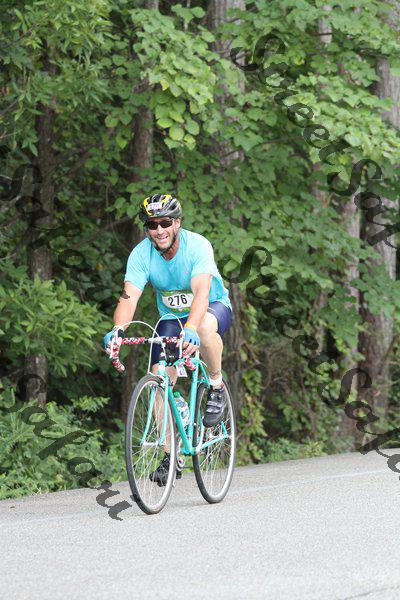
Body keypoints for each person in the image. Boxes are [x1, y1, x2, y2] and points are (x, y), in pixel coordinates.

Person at [104, 193, 232, 484]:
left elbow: (201, 292)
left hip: (211, 307)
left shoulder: (197, 246)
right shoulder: (141, 255)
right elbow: (128, 297)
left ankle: (215, 385)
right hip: (172, 319)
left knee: (203, 329)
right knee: (158, 378)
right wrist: (118, 330)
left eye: (164, 223)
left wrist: (192, 326)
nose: (159, 230)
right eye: (152, 225)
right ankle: (170, 454)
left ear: (177, 223)